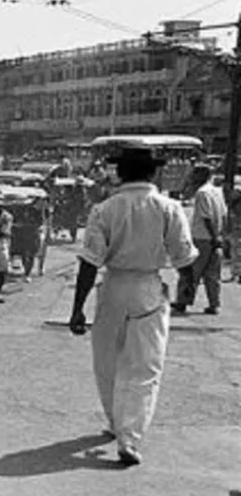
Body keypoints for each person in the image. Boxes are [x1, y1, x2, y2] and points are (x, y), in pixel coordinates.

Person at [69, 146, 197, 466]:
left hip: (113, 287)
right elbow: (183, 255)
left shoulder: (105, 209)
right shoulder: (169, 207)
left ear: (120, 174)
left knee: (107, 362)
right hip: (148, 287)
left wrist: (77, 308)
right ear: (153, 173)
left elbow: (89, 262)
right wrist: (188, 286)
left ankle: (115, 422)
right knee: (144, 365)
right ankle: (131, 437)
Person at [173, 164, 226, 315]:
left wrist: (213, 236)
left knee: (190, 270)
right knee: (212, 274)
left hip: (202, 237)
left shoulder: (202, 193)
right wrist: (219, 236)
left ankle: (182, 301)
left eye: (194, 174)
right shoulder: (216, 191)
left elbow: (206, 217)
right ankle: (214, 304)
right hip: (214, 237)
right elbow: (223, 214)